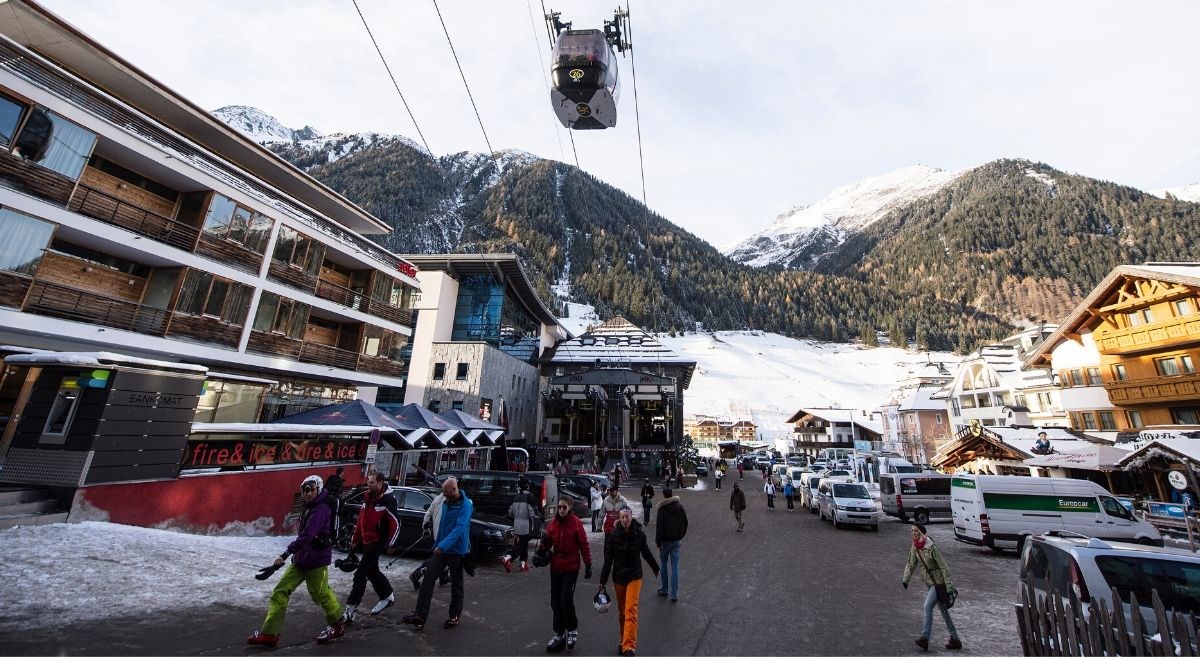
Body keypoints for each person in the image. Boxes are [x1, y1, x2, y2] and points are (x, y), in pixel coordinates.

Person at [247, 475, 345, 647]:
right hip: (301, 560)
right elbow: (304, 536)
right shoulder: (310, 507)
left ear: (318, 489)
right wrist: (292, 555)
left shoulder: (321, 509)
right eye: (305, 490)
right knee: (280, 591)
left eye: (311, 490)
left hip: (316, 561)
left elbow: (307, 536)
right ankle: (270, 633)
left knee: (321, 594)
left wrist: (284, 554)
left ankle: (338, 624)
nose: (307, 494)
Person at [403, 477, 473, 629]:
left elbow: (459, 529)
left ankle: (454, 615)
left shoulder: (466, 505)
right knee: (428, 579)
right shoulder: (447, 501)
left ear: (454, 489)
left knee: (457, 584)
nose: (444, 496)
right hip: (441, 549)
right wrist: (437, 543)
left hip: (456, 551)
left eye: (446, 493)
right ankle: (420, 615)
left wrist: (442, 545)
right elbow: (442, 525)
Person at [599, 507, 659, 657]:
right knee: (622, 611)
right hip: (619, 577)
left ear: (632, 517)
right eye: (623, 517)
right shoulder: (613, 536)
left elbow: (646, 552)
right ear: (619, 519)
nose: (625, 519)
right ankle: (623, 640)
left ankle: (629, 647)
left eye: (628, 516)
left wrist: (656, 568)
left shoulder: (639, 534)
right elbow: (608, 560)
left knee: (631, 609)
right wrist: (602, 581)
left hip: (634, 576)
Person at [341, 471, 400, 624]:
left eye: (372, 482)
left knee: (360, 573)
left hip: (378, 541)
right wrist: (355, 539)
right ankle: (387, 596)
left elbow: (396, 523)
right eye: (368, 482)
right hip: (367, 541)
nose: (368, 485)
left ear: (380, 483)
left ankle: (351, 608)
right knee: (372, 571)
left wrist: (391, 543)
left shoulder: (388, 500)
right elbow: (361, 520)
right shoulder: (368, 498)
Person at [542, 496, 593, 652]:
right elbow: (547, 542)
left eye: (564, 507)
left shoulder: (576, 523)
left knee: (565, 599)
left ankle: (572, 629)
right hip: (556, 565)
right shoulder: (553, 524)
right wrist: (541, 549)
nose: (561, 510)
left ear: (570, 507)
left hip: (571, 567)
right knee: (555, 601)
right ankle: (559, 634)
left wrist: (588, 564)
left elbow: (583, 544)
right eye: (560, 507)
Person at [902, 523, 962, 651]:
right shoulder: (915, 546)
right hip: (930, 584)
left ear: (922, 533)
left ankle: (925, 638)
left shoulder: (931, 547)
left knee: (927, 606)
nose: (913, 533)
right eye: (912, 531)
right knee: (943, 612)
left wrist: (950, 589)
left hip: (939, 583)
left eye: (915, 531)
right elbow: (910, 563)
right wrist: (906, 579)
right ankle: (955, 638)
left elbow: (944, 568)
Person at [654, 487, 688, 602]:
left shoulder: (662, 509)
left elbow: (659, 528)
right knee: (675, 567)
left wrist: (658, 542)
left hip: (665, 542)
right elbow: (685, 522)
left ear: (664, 495)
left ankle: (664, 589)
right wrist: (681, 535)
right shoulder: (679, 507)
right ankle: (674, 594)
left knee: (663, 564)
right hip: (676, 541)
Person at [504, 480, 537, 573]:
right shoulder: (529, 497)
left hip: (517, 524)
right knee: (522, 545)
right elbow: (532, 513)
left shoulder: (515, 497)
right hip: (526, 525)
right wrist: (538, 517)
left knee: (524, 544)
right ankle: (508, 558)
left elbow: (510, 512)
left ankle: (523, 564)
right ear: (527, 486)